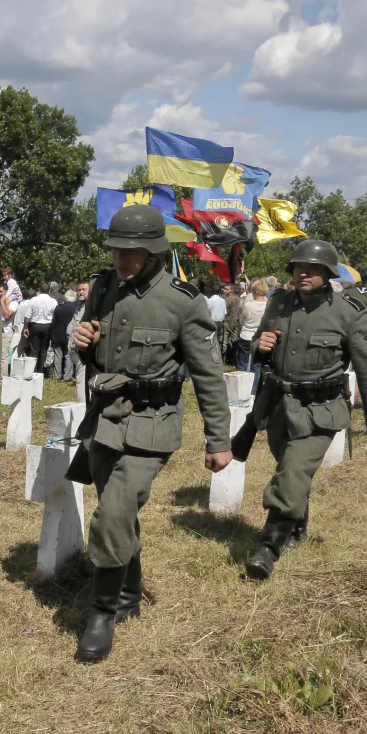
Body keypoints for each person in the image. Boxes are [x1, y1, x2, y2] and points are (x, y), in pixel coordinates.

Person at [69, 203, 232, 663]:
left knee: (112, 513)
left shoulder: (183, 301)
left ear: (155, 252)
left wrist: (219, 440)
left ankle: (102, 612)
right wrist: (84, 345)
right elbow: (96, 354)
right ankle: (128, 593)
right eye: (116, 250)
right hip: (105, 420)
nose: (121, 258)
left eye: (132, 251)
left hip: (153, 425)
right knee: (118, 513)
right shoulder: (103, 287)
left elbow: (209, 375)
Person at [244, 240, 367, 578]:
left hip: (321, 411)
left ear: (328, 274)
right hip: (279, 407)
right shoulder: (279, 302)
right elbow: (260, 344)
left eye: (313, 269)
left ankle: (268, 548)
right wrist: (260, 346)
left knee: (292, 473)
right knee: (292, 470)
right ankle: (296, 526)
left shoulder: (348, 311)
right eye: (299, 267)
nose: (304, 273)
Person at [236, 280, 270, 387]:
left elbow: (241, 320)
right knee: (256, 366)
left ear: (254, 291)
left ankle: (241, 387)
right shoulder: (268, 306)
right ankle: (253, 389)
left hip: (246, 335)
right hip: (260, 338)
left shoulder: (248, 305)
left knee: (242, 364)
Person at [23, 282, 58, 370]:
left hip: (35, 325)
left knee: (34, 350)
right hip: (47, 325)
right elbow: (55, 316)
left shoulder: (33, 300)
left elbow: (27, 317)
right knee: (44, 350)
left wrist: (26, 327)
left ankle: (32, 369)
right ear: (49, 290)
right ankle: (41, 370)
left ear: (39, 289)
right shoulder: (53, 301)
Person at [50, 285, 82, 382]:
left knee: (58, 356)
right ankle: (67, 376)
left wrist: (52, 335)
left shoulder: (58, 307)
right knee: (68, 356)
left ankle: (57, 375)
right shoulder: (76, 308)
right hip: (69, 334)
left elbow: (53, 322)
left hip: (58, 335)